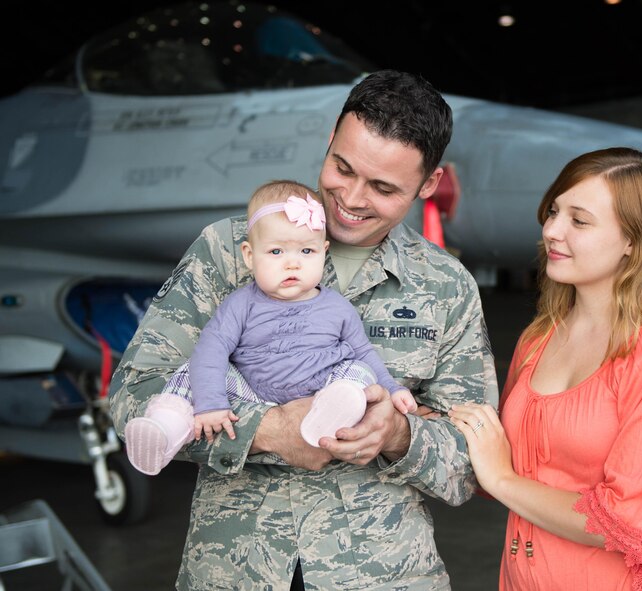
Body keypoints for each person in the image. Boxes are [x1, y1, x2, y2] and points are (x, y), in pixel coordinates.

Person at [109, 70, 498, 590]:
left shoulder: (447, 286)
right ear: (329, 142)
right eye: (342, 167)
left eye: (383, 187)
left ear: (428, 185)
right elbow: (133, 396)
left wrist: (397, 434)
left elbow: (471, 463)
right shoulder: (230, 250)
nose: (352, 198)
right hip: (235, 571)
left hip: (381, 573)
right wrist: (269, 431)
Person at [449, 148, 642, 591]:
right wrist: (412, 421)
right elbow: (499, 460)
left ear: (635, 241)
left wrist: (501, 479)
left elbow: (627, 520)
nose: (552, 231)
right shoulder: (538, 339)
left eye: (579, 221)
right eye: (554, 212)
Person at [122, 182, 418, 477]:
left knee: (357, 371)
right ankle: (165, 426)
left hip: (321, 391)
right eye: (276, 251)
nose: (292, 263)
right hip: (251, 393)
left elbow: (364, 351)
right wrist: (211, 403)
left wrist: (392, 389)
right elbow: (212, 349)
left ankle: (332, 414)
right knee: (194, 369)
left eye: (306, 250)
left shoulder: (338, 308)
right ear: (250, 256)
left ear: (322, 252)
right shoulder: (241, 304)